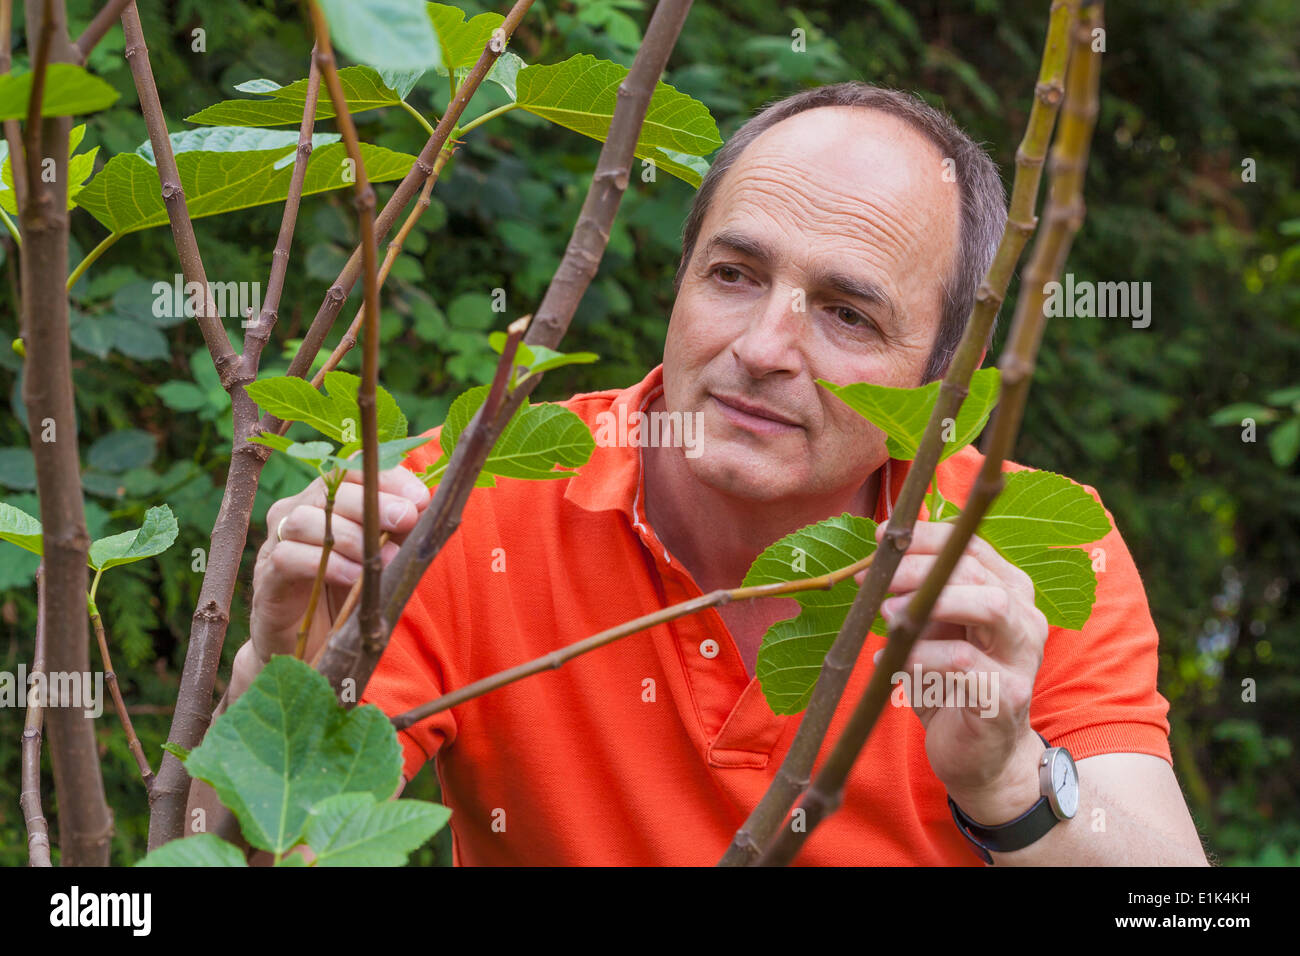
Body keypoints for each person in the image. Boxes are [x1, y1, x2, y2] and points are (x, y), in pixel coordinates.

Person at [217, 83, 1209, 865]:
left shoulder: (1028, 547)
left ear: (941, 384)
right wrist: (286, 676)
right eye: (734, 274)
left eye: (847, 314)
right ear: (679, 277)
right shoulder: (458, 502)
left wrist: (1008, 785)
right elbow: (248, 855)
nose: (763, 346)